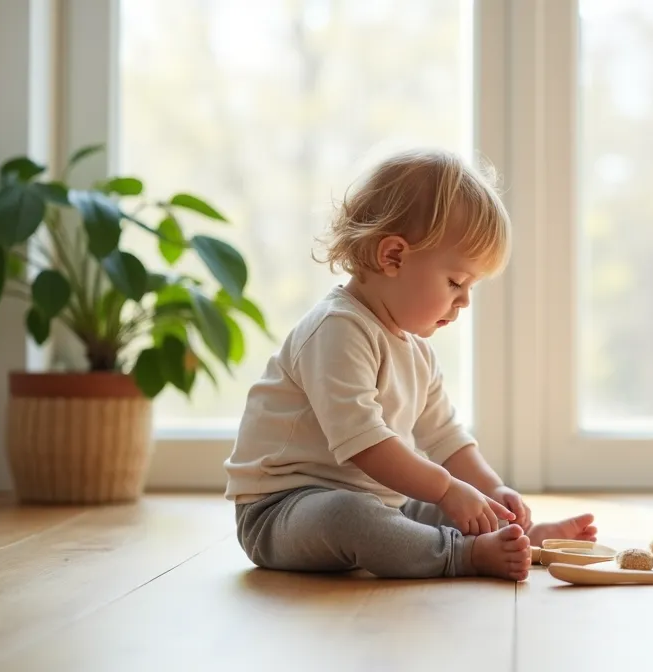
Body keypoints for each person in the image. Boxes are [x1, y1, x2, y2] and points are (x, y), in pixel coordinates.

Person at [223, 147, 596, 581]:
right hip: (282, 512)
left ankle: (519, 535)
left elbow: (446, 437)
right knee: (360, 515)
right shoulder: (337, 330)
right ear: (393, 257)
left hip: (376, 499)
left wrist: (490, 490)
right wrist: (449, 489)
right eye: (456, 281)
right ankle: (466, 556)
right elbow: (365, 443)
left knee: (437, 506)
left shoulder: (416, 349)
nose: (465, 301)